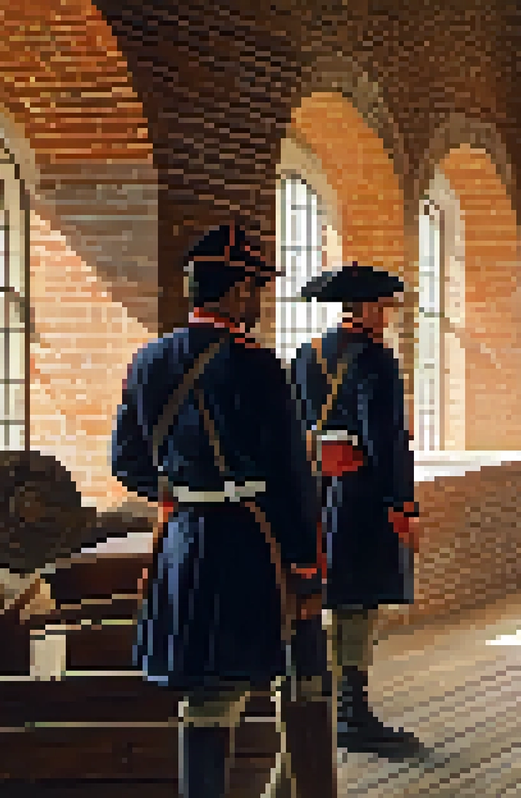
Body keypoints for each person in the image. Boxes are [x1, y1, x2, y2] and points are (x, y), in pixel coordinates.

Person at [111, 223, 333, 797]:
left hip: (182, 541)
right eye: (254, 288)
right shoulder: (258, 366)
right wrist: (306, 568)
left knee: (203, 693)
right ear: (236, 292)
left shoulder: (148, 360)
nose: (256, 301)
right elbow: (290, 477)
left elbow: (126, 463)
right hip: (248, 542)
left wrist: (182, 489)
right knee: (281, 679)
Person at [291, 262, 423, 757]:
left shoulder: (306, 355)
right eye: (383, 308)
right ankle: (351, 712)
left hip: (315, 490)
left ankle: (320, 705)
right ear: (365, 309)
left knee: (319, 596)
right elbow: (385, 439)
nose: (386, 318)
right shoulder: (376, 361)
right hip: (360, 496)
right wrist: (402, 504)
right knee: (357, 603)